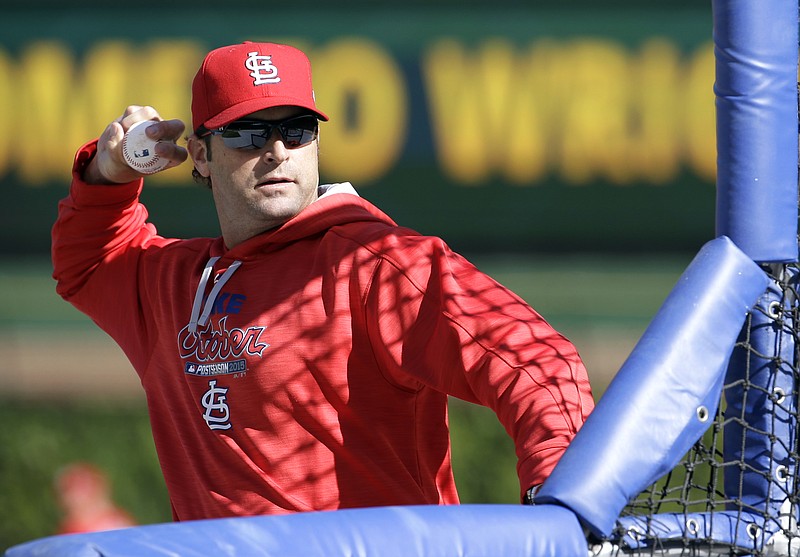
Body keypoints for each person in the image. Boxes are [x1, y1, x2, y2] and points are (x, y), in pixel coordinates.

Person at [52, 41, 594, 521]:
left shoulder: (379, 263)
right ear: (201, 155)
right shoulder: (173, 284)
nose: (277, 150)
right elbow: (87, 263)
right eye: (246, 133)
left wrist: (563, 499)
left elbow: (537, 362)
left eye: (296, 129)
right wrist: (107, 177)